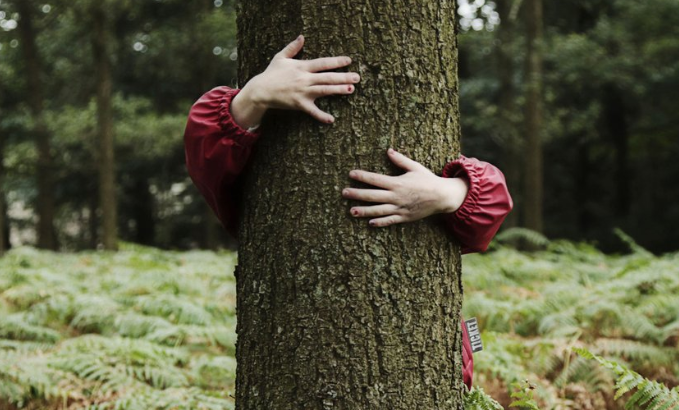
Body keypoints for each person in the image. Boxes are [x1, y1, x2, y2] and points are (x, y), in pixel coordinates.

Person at [183, 35, 513, 389]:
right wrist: (253, 96)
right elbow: (206, 158)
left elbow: (491, 210)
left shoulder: (440, 200)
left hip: (435, 374)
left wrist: (448, 191)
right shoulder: (253, 170)